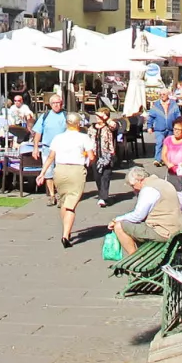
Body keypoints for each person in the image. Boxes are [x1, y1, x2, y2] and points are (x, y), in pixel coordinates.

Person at [39, 114, 94, 248]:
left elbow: (51, 157)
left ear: (66, 124)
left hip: (60, 170)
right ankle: (65, 235)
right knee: (71, 204)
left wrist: (42, 173)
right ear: (78, 124)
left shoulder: (58, 138)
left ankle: (66, 229)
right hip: (76, 170)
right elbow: (91, 156)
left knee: (64, 200)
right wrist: (87, 162)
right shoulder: (83, 137)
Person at [109, 165, 182, 256]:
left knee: (119, 226)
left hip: (164, 232)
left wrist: (117, 219)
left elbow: (137, 216)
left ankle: (134, 260)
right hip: (176, 228)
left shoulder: (148, 190)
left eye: (133, 186)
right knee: (135, 226)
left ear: (139, 179)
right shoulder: (162, 182)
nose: (134, 190)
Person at [30, 93, 67, 205]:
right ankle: (52, 195)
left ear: (62, 104)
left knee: (61, 173)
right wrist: (35, 148)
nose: (56, 105)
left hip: (62, 149)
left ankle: (61, 196)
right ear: (50, 105)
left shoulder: (66, 115)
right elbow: (38, 133)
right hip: (47, 148)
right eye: (54, 103)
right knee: (48, 173)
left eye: (58, 103)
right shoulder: (44, 116)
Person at [91, 106, 119, 207]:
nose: (97, 118)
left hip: (107, 155)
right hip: (95, 155)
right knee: (97, 176)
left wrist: (106, 118)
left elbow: (114, 125)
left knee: (105, 176)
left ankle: (103, 197)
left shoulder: (109, 127)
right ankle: (102, 194)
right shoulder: (92, 127)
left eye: (99, 116)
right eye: (97, 115)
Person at [146, 93, 181, 164]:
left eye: (164, 94)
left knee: (170, 144)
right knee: (159, 143)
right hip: (159, 128)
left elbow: (178, 116)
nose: (162, 96)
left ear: (168, 95)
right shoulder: (156, 105)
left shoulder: (173, 104)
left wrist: (179, 126)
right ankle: (157, 159)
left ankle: (168, 159)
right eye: (160, 94)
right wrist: (149, 126)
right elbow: (151, 117)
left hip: (170, 128)